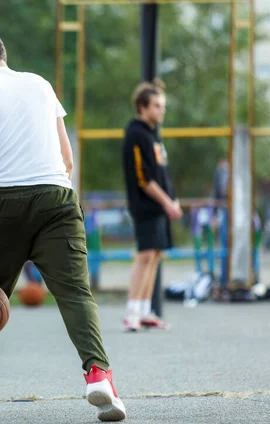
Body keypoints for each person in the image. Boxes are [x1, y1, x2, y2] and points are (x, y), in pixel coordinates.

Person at [0, 30, 126, 421]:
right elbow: (66, 156)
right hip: (58, 196)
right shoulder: (41, 84)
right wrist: (58, 199)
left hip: (7, 203)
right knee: (76, 293)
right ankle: (99, 374)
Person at [122, 80, 182, 332]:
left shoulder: (154, 134)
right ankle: (132, 313)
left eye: (163, 106)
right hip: (146, 206)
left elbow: (163, 173)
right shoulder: (136, 134)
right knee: (145, 255)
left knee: (155, 255)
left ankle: (145, 311)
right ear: (142, 107)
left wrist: (173, 198)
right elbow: (143, 178)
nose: (161, 110)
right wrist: (167, 202)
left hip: (160, 206)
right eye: (156, 105)